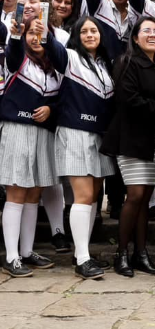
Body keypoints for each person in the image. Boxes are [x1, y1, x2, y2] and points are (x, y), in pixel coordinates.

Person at [101, 16, 155, 277]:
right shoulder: (127, 61)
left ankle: (141, 254)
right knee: (134, 196)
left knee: (144, 199)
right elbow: (130, 99)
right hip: (131, 138)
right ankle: (120, 254)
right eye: (147, 31)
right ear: (135, 37)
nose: (153, 34)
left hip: (152, 139)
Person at [49, 15, 116, 279]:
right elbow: (50, 46)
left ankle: (82, 252)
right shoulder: (69, 58)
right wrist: (42, 21)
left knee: (94, 197)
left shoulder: (105, 64)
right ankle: (83, 260)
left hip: (99, 136)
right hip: (75, 132)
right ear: (77, 35)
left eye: (94, 31)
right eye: (85, 31)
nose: (90, 35)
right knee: (83, 196)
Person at [0, 16, 61, 277]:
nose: (36, 40)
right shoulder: (17, 61)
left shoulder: (55, 68)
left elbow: (65, 100)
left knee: (34, 192)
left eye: (41, 34)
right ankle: (11, 256)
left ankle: (26, 251)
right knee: (17, 190)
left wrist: (51, 109)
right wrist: (16, 35)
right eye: (31, 35)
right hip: (17, 129)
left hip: (43, 133)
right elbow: (13, 54)